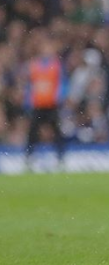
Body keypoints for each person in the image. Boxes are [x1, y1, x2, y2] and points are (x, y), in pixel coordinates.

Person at [24, 35, 67, 170]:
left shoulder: (56, 66)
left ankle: (60, 157)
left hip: (51, 105)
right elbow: (30, 85)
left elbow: (63, 84)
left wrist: (59, 97)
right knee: (33, 131)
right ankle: (30, 157)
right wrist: (28, 100)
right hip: (38, 105)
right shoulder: (34, 66)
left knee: (56, 131)